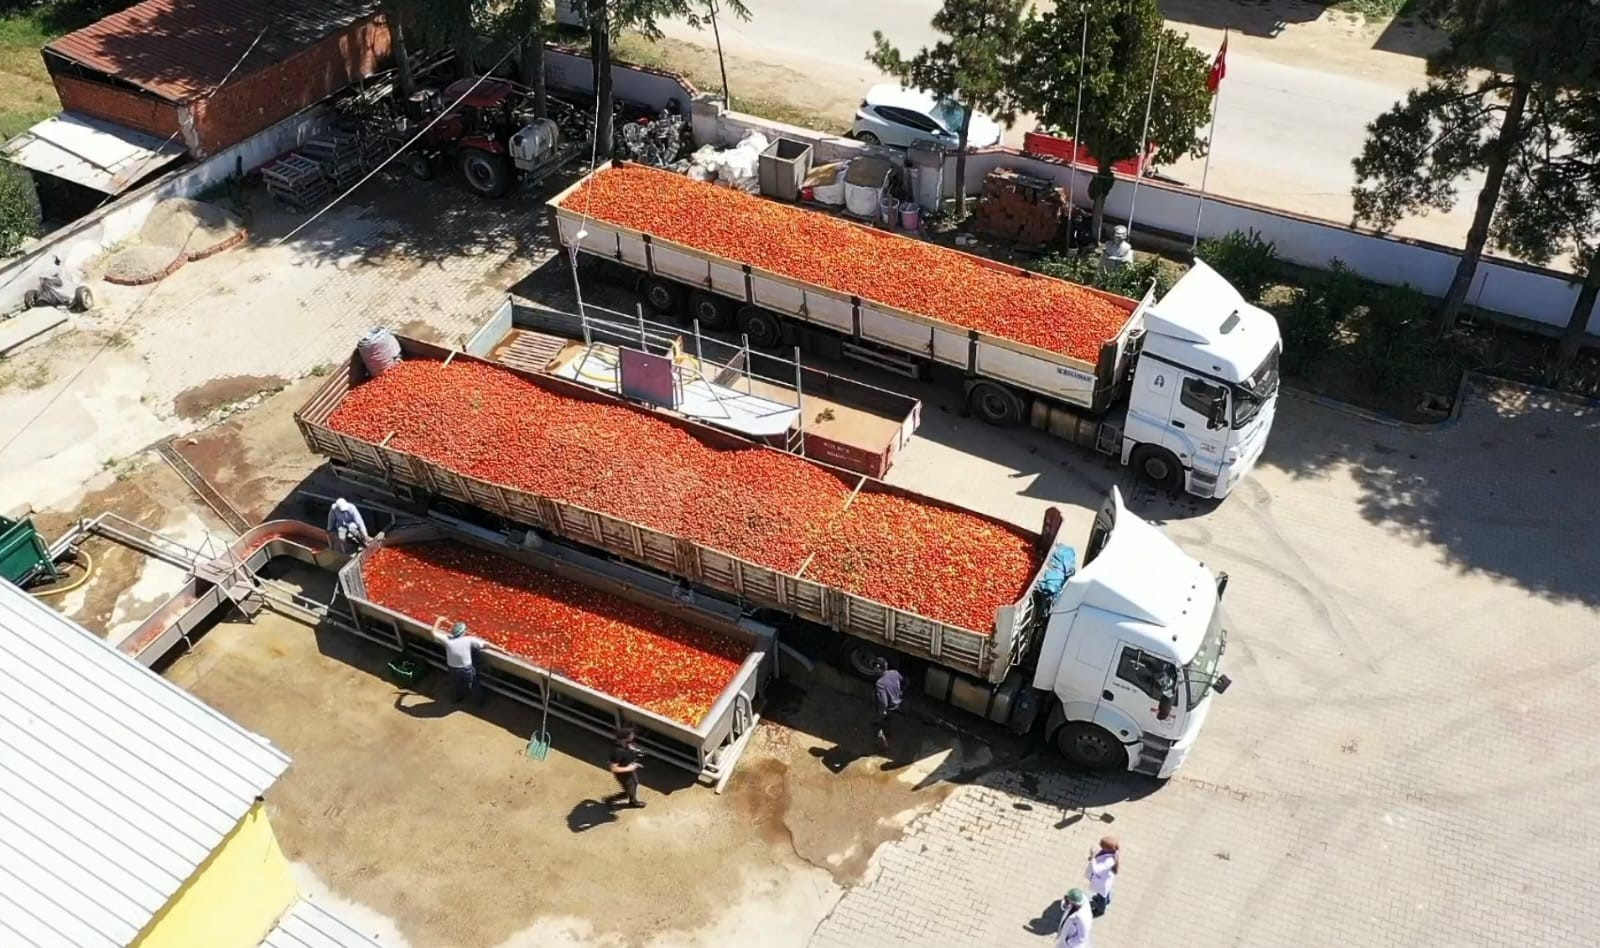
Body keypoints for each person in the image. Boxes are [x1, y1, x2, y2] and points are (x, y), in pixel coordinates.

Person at [436, 621, 488, 704]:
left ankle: (457, 698)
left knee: (456, 684)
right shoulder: (468, 639)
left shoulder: (447, 640)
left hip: (452, 669)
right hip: (465, 669)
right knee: (473, 683)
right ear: (463, 632)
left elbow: (433, 632)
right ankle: (479, 701)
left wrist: (439, 620)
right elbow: (484, 645)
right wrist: (500, 649)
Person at [872, 657, 905, 753]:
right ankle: (888, 733)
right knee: (888, 723)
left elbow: (883, 702)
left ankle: (883, 747)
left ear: (878, 668)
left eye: (875, 668)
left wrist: (881, 714)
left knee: (878, 728)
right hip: (898, 703)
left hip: (889, 708)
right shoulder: (895, 673)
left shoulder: (880, 683)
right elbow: (904, 682)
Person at [608, 726, 646, 809]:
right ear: (625, 738)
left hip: (630, 769)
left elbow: (630, 749)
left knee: (635, 783)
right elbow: (613, 768)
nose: (633, 736)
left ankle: (633, 801)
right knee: (628, 792)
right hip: (623, 774)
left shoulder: (627, 744)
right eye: (631, 735)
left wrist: (635, 751)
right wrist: (630, 768)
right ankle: (609, 800)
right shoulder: (617, 752)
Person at [1085, 836, 1120, 917]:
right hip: (1103, 880)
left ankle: (1100, 910)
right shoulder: (1109, 852)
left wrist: (1093, 859)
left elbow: (1097, 869)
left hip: (1102, 881)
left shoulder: (1110, 860)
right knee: (1104, 893)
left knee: (1102, 896)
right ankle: (1106, 900)